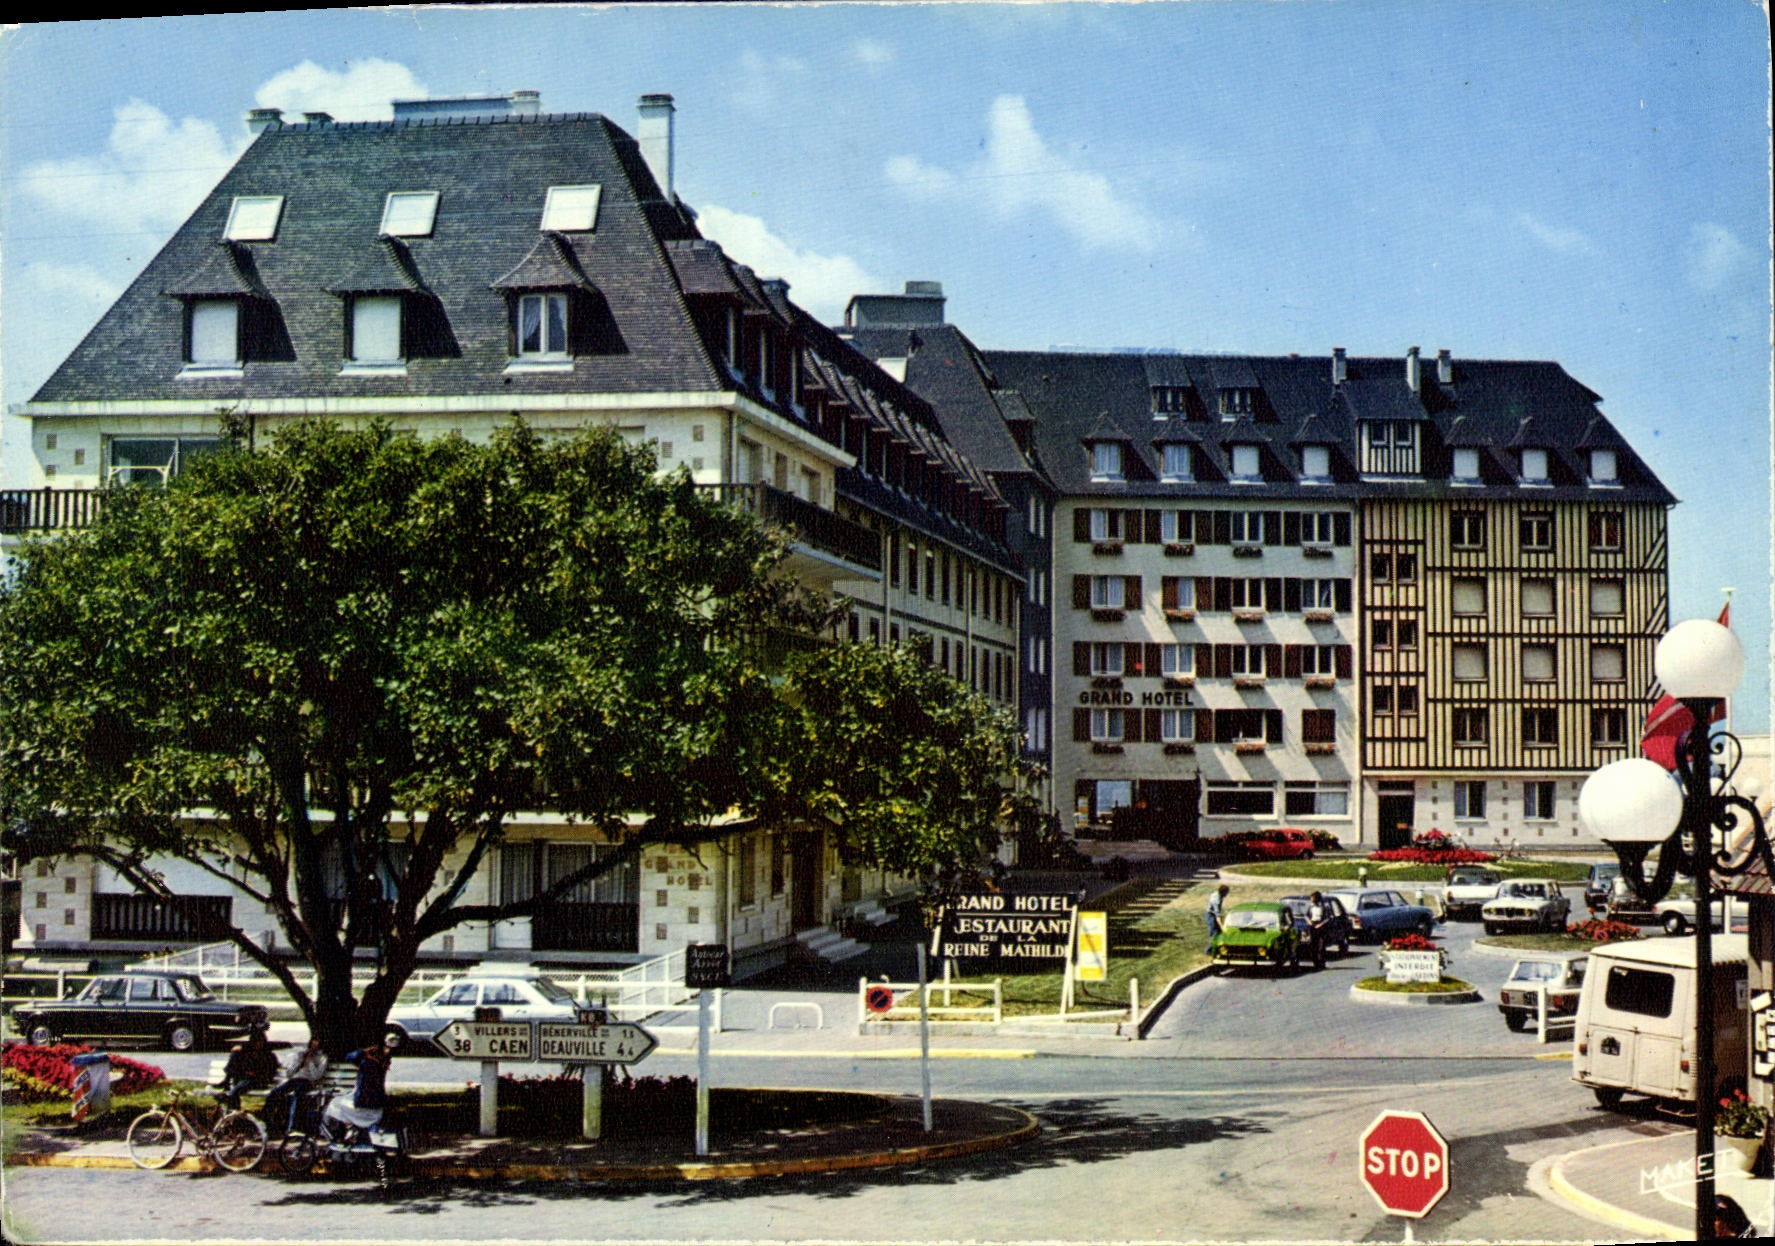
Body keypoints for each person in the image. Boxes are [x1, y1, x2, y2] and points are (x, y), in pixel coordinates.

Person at [323, 1041, 390, 1142]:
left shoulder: (368, 1064)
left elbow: (349, 1057)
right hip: (375, 1107)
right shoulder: (381, 1065)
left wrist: (362, 1052)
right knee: (340, 1102)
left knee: (334, 1104)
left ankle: (343, 1134)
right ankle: (350, 1129)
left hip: (366, 1108)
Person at [262, 1037, 328, 1135]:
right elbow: (289, 1074)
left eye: (316, 1047)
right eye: (311, 1046)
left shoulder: (322, 1058)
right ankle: (267, 1125)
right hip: (294, 1080)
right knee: (275, 1093)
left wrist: (310, 1062)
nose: (313, 1049)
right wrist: (300, 1063)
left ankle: (292, 1128)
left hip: (308, 1081)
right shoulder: (300, 1054)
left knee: (298, 1094)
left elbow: (316, 1076)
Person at [215, 1025, 277, 1112]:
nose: (257, 1044)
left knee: (238, 1087)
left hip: (259, 1081)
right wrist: (235, 1052)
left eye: (259, 1042)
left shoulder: (269, 1055)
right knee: (235, 1056)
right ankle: (233, 1109)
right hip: (244, 1078)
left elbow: (270, 1073)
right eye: (255, 1042)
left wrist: (254, 1074)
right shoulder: (247, 1051)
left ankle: (230, 1097)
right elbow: (239, 1066)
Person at [1305, 890, 1330, 968]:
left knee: (1321, 945)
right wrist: (1309, 922)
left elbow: (1327, 918)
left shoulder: (1324, 907)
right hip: (1312, 925)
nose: (1311, 899)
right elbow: (1306, 915)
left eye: (1313, 898)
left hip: (1320, 926)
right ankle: (1315, 962)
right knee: (1313, 944)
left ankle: (1322, 961)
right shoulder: (1310, 907)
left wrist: (1320, 924)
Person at [1204, 884, 1230, 954]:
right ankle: (1208, 951)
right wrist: (1222, 926)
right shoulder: (1216, 900)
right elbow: (1217, 915)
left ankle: (1218, 948)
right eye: (1226, 893)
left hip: (1213, 914)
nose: (1227, 894)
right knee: (1214, 933)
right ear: (1223, 892)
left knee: (1218, 933)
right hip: (1211, 915)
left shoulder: (1216, 894)